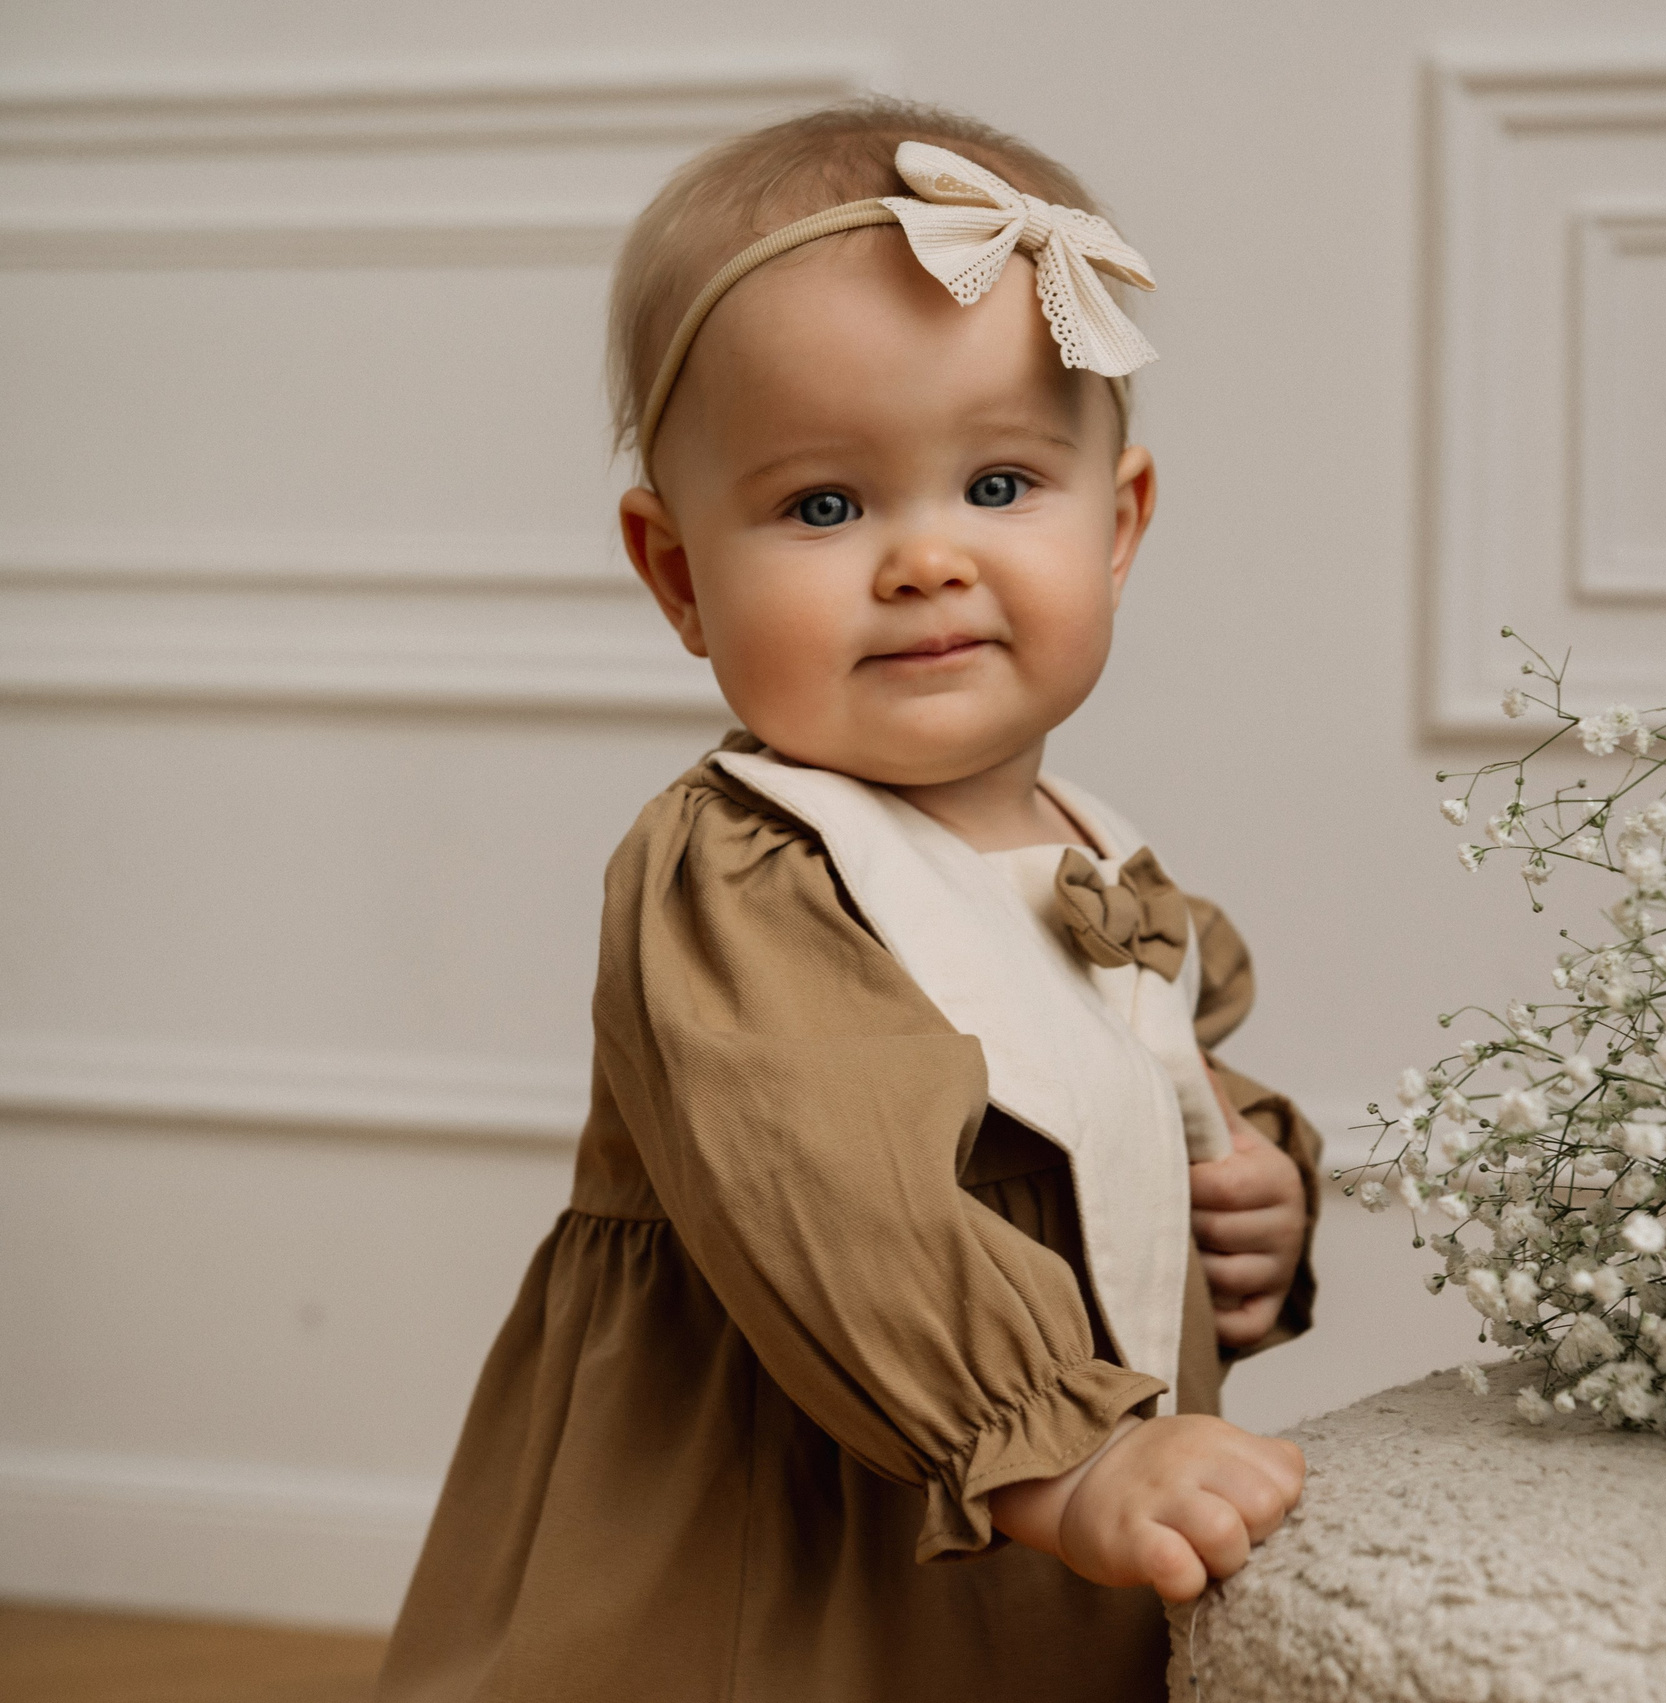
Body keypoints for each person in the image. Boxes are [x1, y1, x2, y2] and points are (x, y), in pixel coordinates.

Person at [376, 96, 1318, 1702]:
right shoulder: (741, 871)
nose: (925, 560)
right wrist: (1052, 1451)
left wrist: (1254, 1181)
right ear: (679, 575)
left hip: (1046, 1504)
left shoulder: (1102, 866)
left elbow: (1106, 1085)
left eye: (1004, 485)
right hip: (796, 1539)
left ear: (1122, 526)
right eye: (826, 506)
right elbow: (838, 1176)